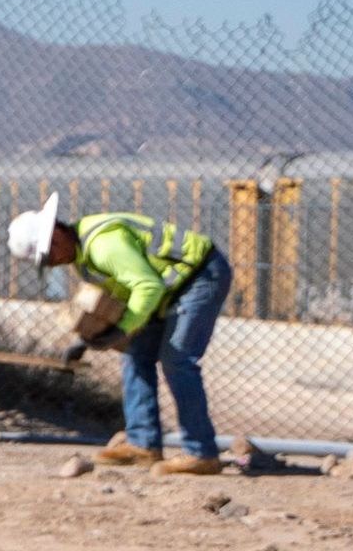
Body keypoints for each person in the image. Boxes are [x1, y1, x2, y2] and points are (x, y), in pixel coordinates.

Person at [12, 194, 234, 472]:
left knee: (177, 360)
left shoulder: (104, 246)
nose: (52, 264)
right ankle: (143, 445)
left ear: (56, 235)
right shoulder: (83, 256)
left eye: (48, 255)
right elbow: (121, 293)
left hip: (198, 277)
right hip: (169, 286)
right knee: (135, 356)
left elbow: (147, 287)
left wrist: (122, 329)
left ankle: (202, 453)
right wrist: (90, 336)